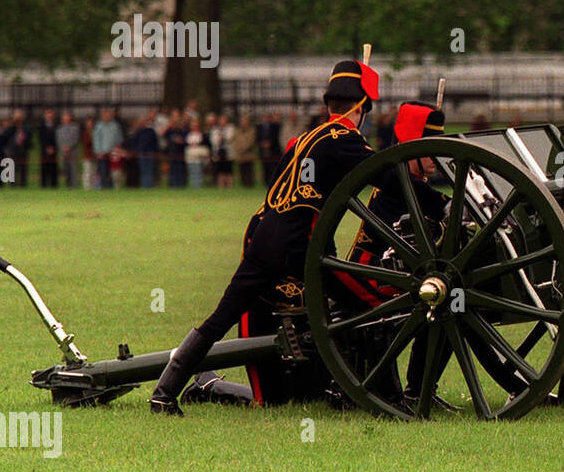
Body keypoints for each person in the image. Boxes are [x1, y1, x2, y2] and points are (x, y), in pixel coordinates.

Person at [149, 61, 392, 414]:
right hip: (299, 249)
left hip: (262, 239)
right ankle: (385, 397)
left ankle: (163, 393)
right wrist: (442, 203)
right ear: (361, 109)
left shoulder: (300, 140)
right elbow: (388, 178)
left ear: (329, 106)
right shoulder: (345, 140)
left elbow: (277, 194)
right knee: (369, 306)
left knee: (220, 318)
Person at [92, 109, 123, 189]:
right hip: (102, 154)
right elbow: (96, 140)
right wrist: (98, 152)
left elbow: (119, 139)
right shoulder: (99, 126)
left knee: (113, 173)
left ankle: (112, 189)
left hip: (113, 154)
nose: (107, 117)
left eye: (108, 115)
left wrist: (116, 150)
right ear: (102, 116)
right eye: (105, 115)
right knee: (103, 172)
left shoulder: (115, 126)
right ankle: (104, 188)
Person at [55, 112, 81, 189]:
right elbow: (58, 140)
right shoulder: (59, 129)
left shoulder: (75, 128)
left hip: (73, 152)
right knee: (65, 170)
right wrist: (63, 148)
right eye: (64, 117)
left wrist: (69, 147)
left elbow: (76, 139)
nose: (66, 119)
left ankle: (74, 186)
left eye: (67, 117)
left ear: (70, 118)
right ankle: (68, 186)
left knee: (73, 170)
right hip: (63, 153)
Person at [163, 115, 188, 188]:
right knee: (172, 171)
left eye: (176, 122)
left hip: (180, 154)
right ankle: (173, 186)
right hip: (171, 154)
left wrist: (181, 141)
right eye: (173, 122)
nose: (175, 124)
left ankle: (181, 186)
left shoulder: (182, 131)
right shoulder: (169, 132)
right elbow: (162, 134)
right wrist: (169, 126)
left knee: (180, 171)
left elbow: (186, 141)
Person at [185, 117, 210, 188]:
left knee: (199, 172)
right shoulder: (189, 134)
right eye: (193, 125)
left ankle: (199, 187)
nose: (194, 126)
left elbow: (204, 146)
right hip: (190, 157)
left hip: (199, 158)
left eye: (195, 125)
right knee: (192, 173)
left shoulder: (202, 134)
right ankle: (193, 187)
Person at [232, 114, 256, 186]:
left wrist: (243, 149)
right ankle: (243, 186)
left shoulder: (252, 130)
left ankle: (250, 186)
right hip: (240, 156)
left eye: (245, 121)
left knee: (249, 172)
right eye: (242, 122)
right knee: (242, 172)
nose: (244, 123)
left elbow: (251, 141)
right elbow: (235, 142)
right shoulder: (236, 131)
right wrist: (239, 150)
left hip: (248, 155)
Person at [38, 110, 59, 187]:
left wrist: (53, 148)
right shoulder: (41, 126)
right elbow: (40, 138)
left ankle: (54, 186)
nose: (49, 116)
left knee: (53, 169)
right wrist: (46, 148)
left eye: (51, 115)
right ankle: (43, 186)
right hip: (44, 151)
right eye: (48, 115)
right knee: (44, 169)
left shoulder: (56, 126)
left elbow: (57, 138)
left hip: (54, 151)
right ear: (45, 116)